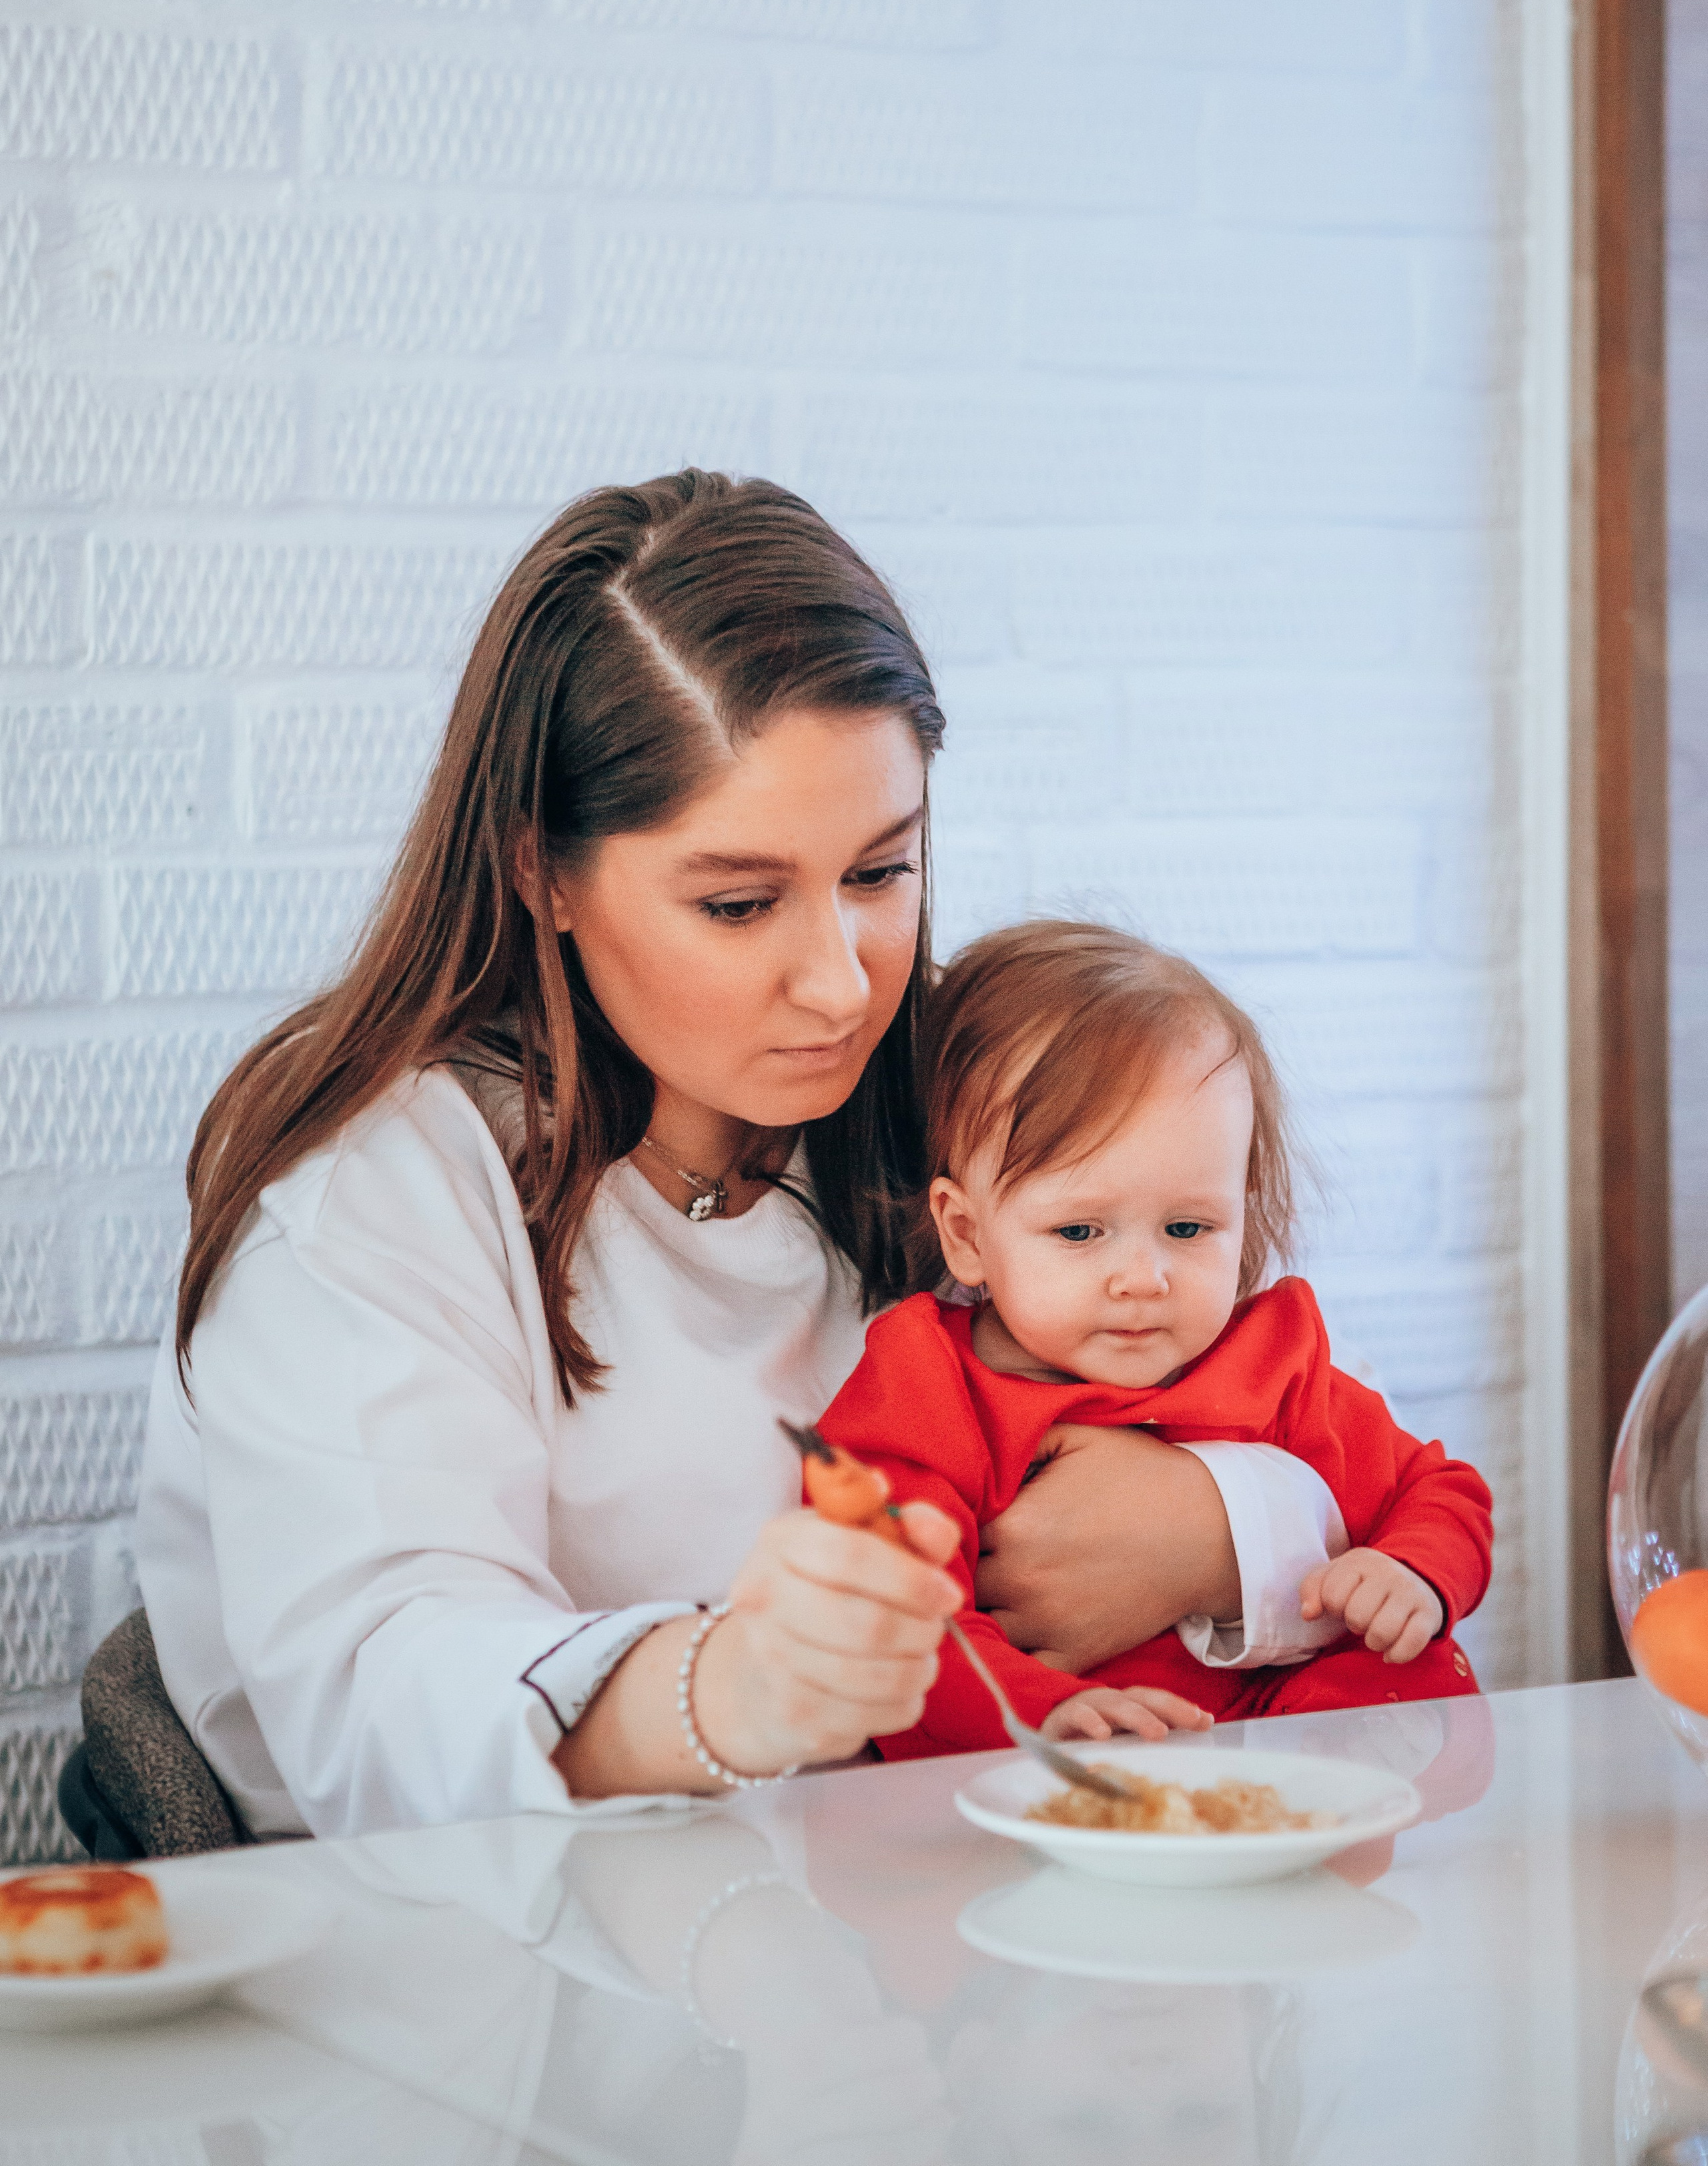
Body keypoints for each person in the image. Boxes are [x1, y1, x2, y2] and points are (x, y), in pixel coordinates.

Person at [135, 474, 1348, 1840]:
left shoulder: (956, 1097)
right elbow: (380, 1689)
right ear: (543, 870)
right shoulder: (379, 1189)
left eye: (881, 874)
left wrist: (1223, 1520)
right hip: (447, 1957)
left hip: (890, 1933)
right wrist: (734, 1687)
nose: (840, 985)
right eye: (737, 902)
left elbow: (1268, 1387)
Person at [814, 921, 1492, 1757]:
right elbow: (896, 1601)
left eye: (1186, 1227)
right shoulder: (927, 1387)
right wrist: (1037, 1711)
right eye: (1078, 1232)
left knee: (1418, 1669)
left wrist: (1413, 1572)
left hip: (1267, 1760)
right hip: (1042, 1771)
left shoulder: (1271, 1362)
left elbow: (1441, 1488)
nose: (1143, 1278)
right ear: (966, 1234)